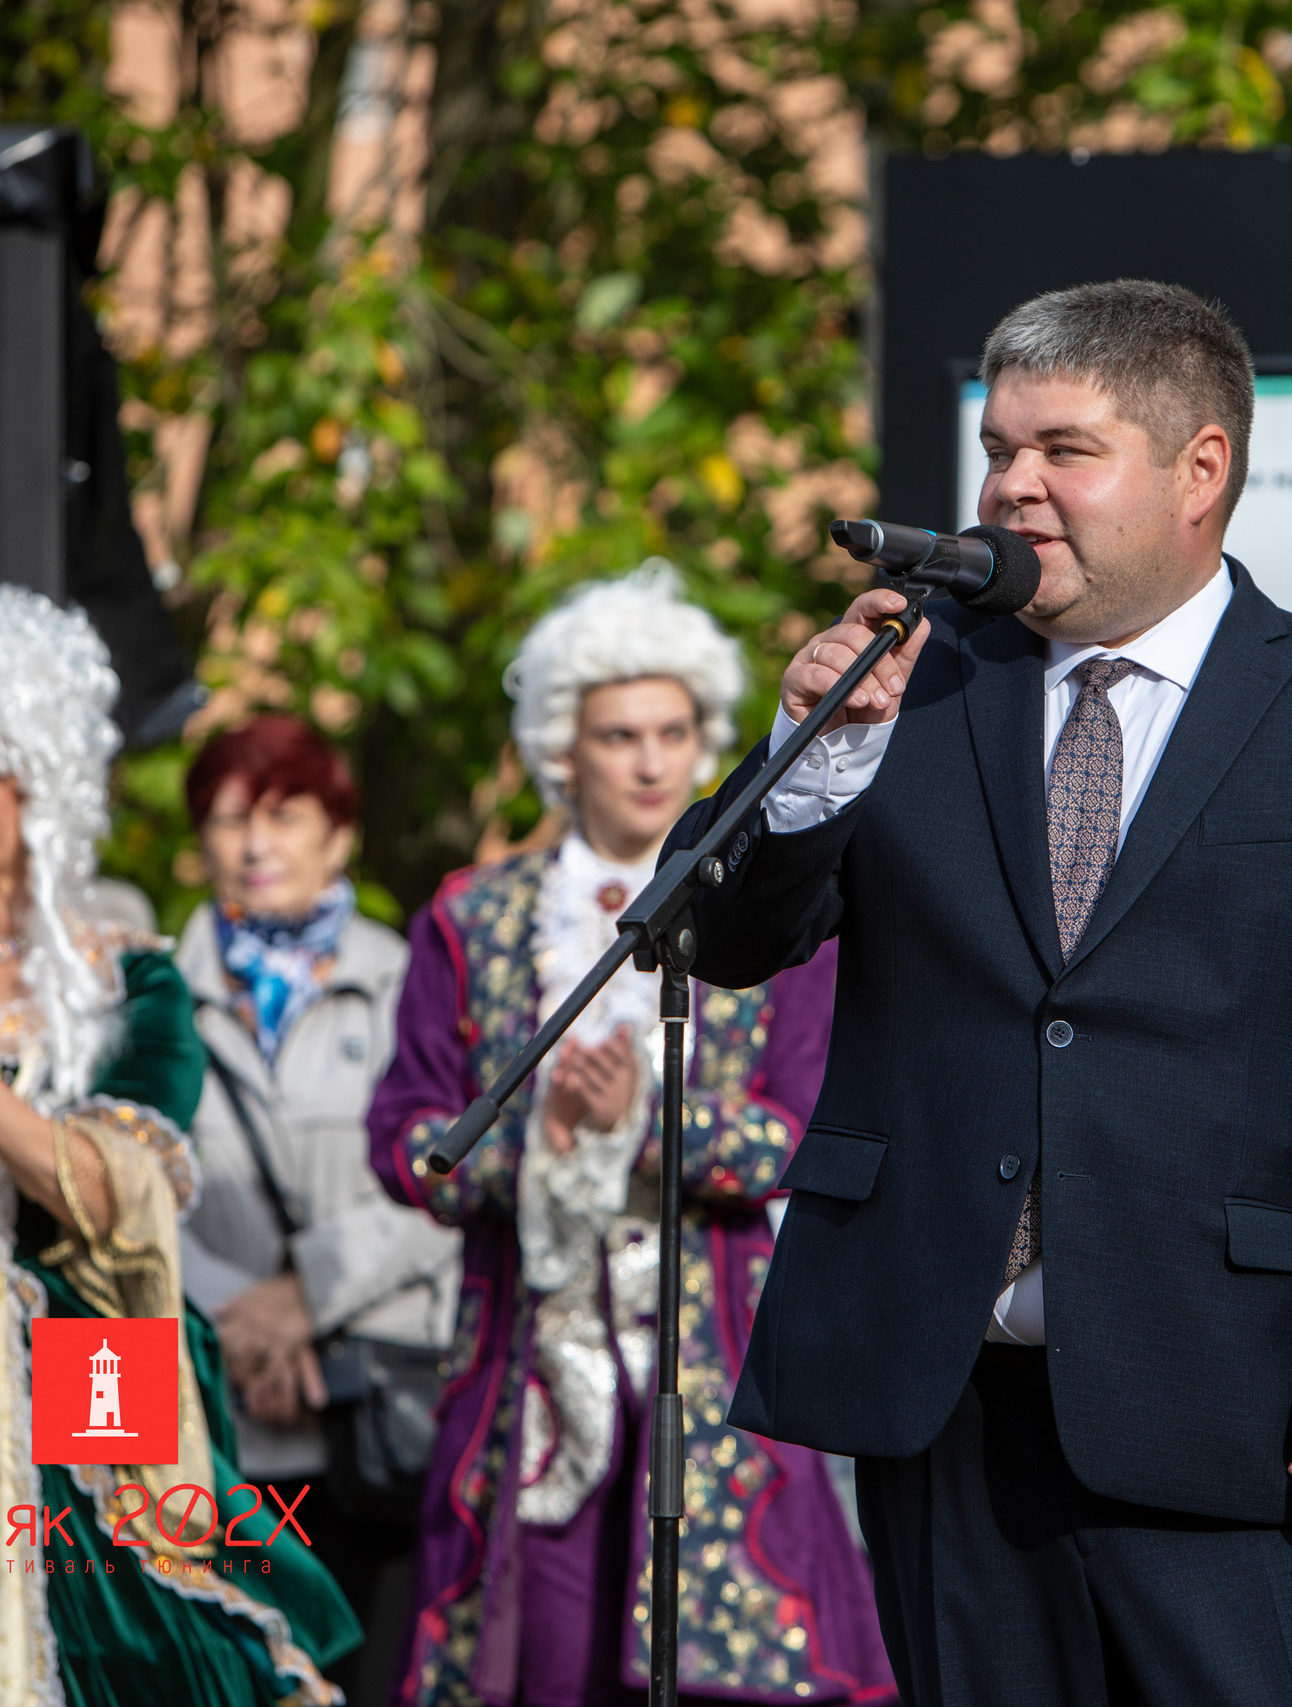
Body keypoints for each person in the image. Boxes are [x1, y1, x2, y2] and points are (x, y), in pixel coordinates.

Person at [660, 279, 1292, 1704]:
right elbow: (721, 937)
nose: (1013, 487)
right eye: (999, 449)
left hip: (1237, 1414)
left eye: (1065, 449)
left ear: (1201, 467)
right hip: (946, 1411)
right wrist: (810, 754)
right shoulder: (908, 688)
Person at [0, 585, 355, 1704]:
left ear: (41, 780)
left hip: (90, 1354)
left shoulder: (128, 979)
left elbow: (122, 1200)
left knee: (133, 1619)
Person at [368, 565, 890, 1706]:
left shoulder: (772, 914)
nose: (651, 760)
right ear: (564, 746)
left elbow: (796, 1130)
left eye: (673, 731)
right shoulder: (473, 918)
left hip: (718, 1368)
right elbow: (408, 1141)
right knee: (538, 1663)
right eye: (618, 735)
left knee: (729, 1668)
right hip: (526, 1375)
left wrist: (648, 1128)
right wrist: (540, 1133)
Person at [177, 713, 460, 1705]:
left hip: (376, 1417)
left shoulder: (417, 975)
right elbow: (118, 1187)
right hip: (213, 1409)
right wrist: (244, 1320)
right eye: (225, 820)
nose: (254, 845)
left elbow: (450, 1177)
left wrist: (311, 1296)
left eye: (283, 816)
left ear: (339, 835)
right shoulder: (146, 996)